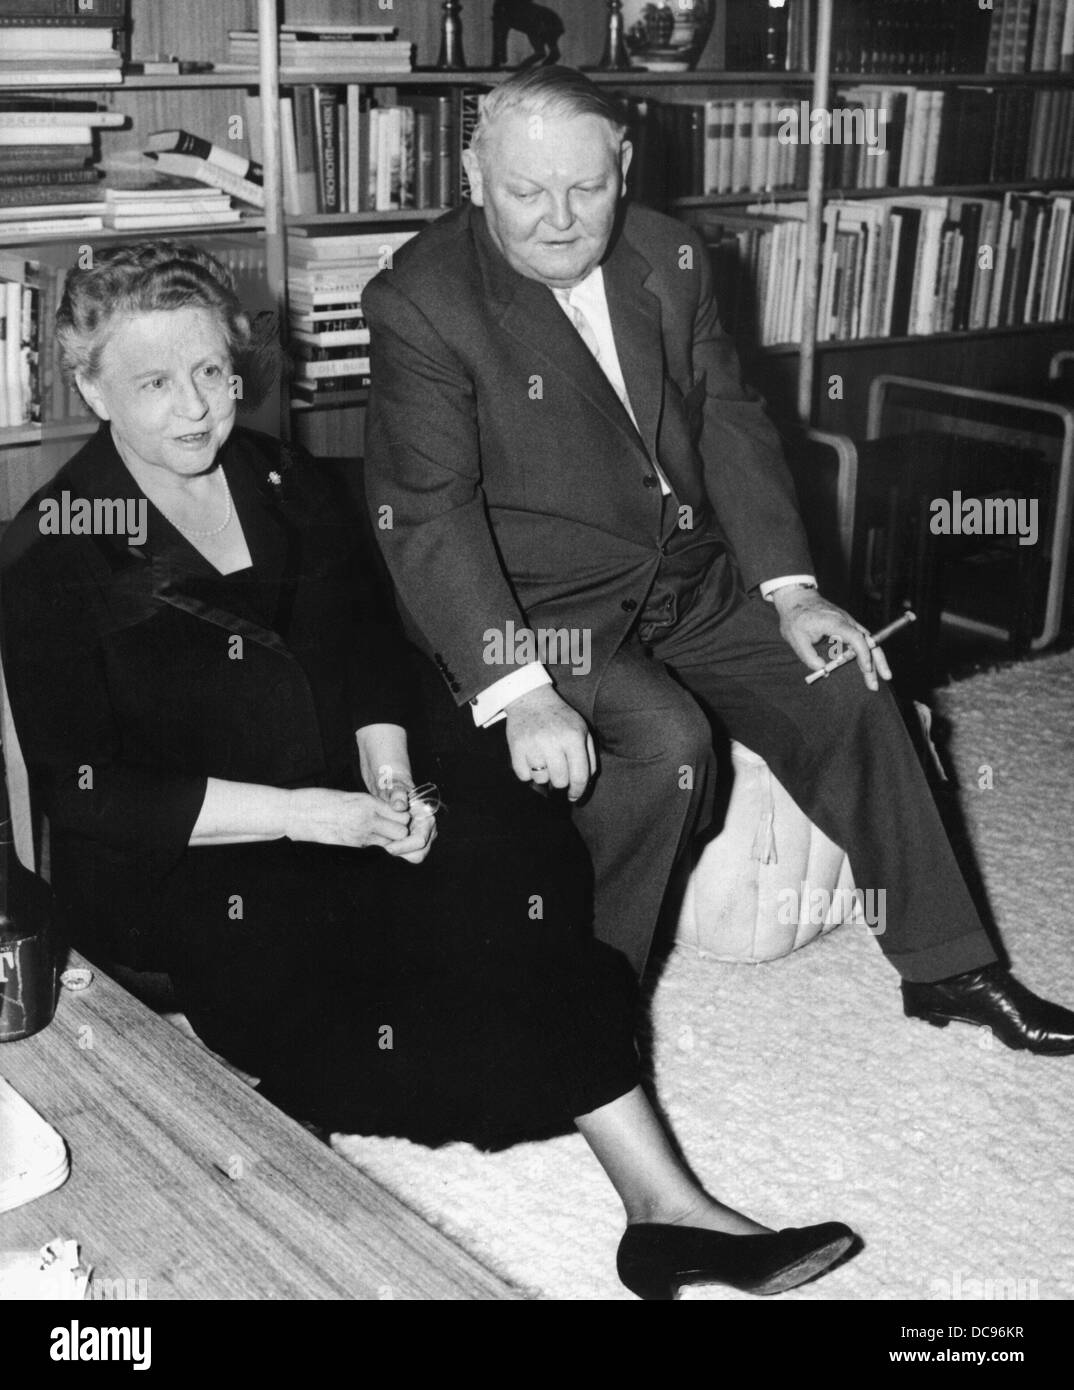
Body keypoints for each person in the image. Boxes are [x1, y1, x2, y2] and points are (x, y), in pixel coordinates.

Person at [0, 241, 857, 1300]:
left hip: (349, 802)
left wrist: (388, 768)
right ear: (87, 385)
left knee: (511, 850)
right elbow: (90, 794)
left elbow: (360, 634)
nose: (197, 409)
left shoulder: (278, 475)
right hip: (202, 866)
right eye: (155, 382)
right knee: (433, 1029)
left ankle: (666, 1212)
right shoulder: (53, 552)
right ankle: (303, 1081)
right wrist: (319, 818)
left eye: (216, 372)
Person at [362, 64, 1074, 1055]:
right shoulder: (422, 301)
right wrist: (519, 690)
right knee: (668, 740)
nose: (561, 219)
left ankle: (950, 967)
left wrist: (793, 594)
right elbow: (429, 515)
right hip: (537, 607)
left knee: (849, 680)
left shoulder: (671, 257)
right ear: (477, 179)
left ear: (624, 166)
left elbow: (734, 423)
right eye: (526, 192)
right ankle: (582, 1011)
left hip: (688, 580)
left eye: (587, 187)